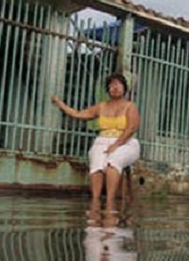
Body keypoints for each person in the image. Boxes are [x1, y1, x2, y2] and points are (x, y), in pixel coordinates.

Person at [51, 73, 140, 209]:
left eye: (118, 84)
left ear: (124, 88)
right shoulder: (101, 106)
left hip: (126, 142)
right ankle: (95, 202)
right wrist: (60, 104)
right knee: (96, 165)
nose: (114, 88)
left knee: (113, 162)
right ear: (107, 90)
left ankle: (110, 202)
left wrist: (116, 145)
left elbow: (132, 128)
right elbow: (78, 114)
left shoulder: (130, 106)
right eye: (111, 85)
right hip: (103, 141)